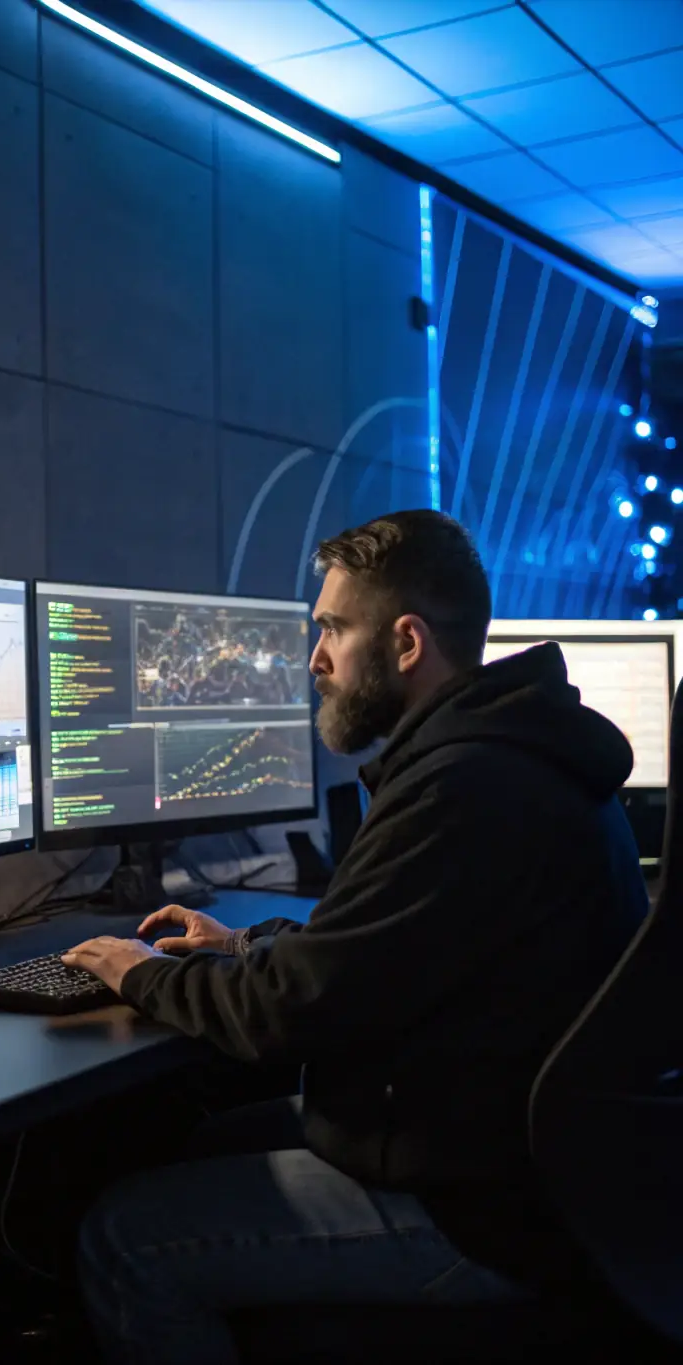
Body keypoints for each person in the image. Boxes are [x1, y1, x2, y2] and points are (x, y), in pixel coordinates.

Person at [61, 510, 648, 1365]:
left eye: (334, 627)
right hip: (532, 1165)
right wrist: (241, 945)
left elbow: (287, 1016)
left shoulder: (466, 785)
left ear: (406, 642)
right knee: (202, 1141)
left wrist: (138, 973)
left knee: (122, 1238)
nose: (316, 659)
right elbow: (379, 951)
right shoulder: (508, 750)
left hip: (486, 1215)